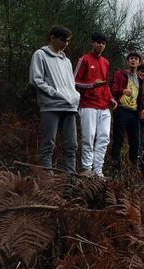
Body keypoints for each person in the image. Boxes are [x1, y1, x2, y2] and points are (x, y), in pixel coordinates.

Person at [29, 25, 80, 174]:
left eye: (68, 41)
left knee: (71, 147)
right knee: (48, 146)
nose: (66, 44)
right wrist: (55, 93)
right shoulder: (40, 55)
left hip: (69, 107)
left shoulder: (67, 61)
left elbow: (71, 84)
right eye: (63, 40)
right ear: (52, 38)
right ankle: (48, 185)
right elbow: (36, 80)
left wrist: (74, 95)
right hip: (51, 106)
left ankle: (70, 183)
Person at [74, 32, 117, 177]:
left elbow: (105, 85)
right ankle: (87, 170)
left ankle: (98, 171)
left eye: (103, 43)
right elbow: (74, 82)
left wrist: (111, 98)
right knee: (88, 137)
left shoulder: (106, 62)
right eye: (98, 42)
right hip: (88, 105)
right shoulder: (84, 59)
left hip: (104, 106)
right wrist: (91, 85)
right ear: (92, 43)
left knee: (104, 138)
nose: (101, 45)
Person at [111, 52, 144, 169]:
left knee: (135, 142)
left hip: (134, 113)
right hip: (121, 110)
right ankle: (115, 168)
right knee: (118, 140)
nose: (133, 60)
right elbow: (113, 89)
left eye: (136, 59)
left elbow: (143, 96)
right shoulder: (120, 74)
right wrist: (122, 91)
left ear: (139, 62)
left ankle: (133, 169)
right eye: (131, 58)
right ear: (128, 61)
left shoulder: (141, 80)